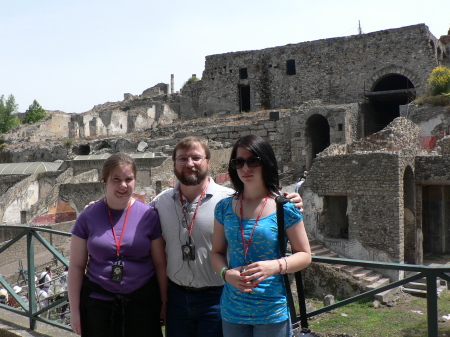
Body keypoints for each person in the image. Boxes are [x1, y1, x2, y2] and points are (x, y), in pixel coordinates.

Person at [151, 136, 304, 337]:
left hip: (223, 297)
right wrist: (96, 209)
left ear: (208, 161)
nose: (190, 164)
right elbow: (134, 221)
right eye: (182, 159)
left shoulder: (227, 199)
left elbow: (302, 251)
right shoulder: (159, 202)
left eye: (196, 158)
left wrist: (290, 202)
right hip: (180, 298)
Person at [211, 134, 312, 337]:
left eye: (253, 161)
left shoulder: (284, 207)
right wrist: (226, 274)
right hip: (233, 309)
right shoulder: (223, 207)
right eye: (239, 162)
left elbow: (305, 255)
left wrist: (275, 265)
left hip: (271, 311)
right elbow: (216, 253)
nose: (246, 168)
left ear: (266, 163)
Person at [68, 153, 167, 337]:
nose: (123, 185)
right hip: (99, 305)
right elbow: (76, 266)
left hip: (142, 304)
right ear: (104, 180)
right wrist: (75, 312)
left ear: (135, 180)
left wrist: (164, 302)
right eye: (116, 179)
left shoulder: (149, 215)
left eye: (128, 179)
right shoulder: (87, 217)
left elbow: (160, 263)